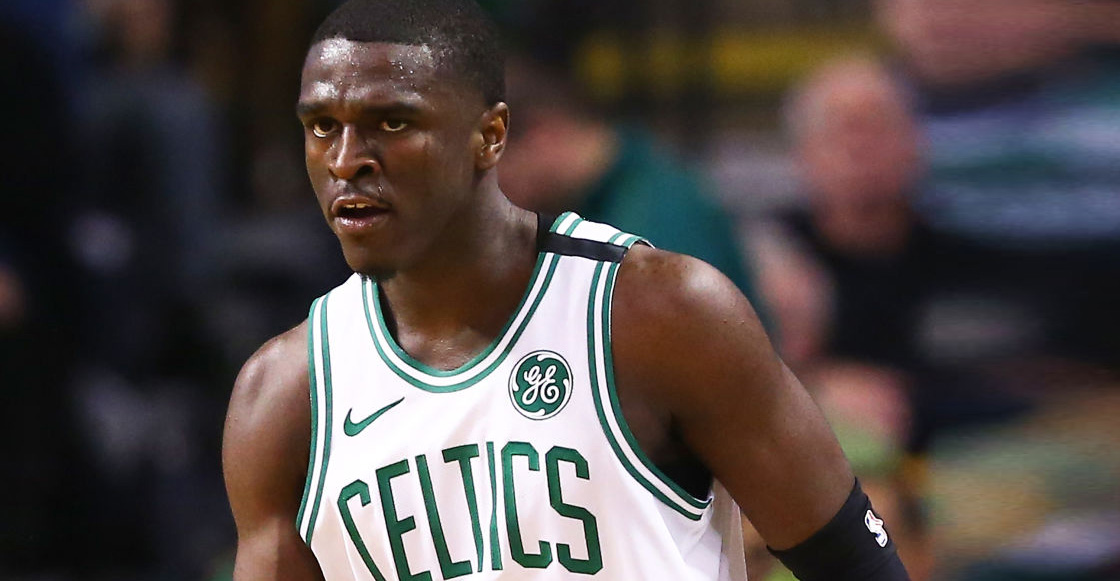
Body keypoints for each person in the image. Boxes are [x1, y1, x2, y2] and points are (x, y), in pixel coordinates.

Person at [222, 1, 911, 579]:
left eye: (392, 123)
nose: (347, 160)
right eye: (322, 127)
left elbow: (858, 567)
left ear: (490, 136)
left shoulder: (658, 313)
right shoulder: (281, 398)